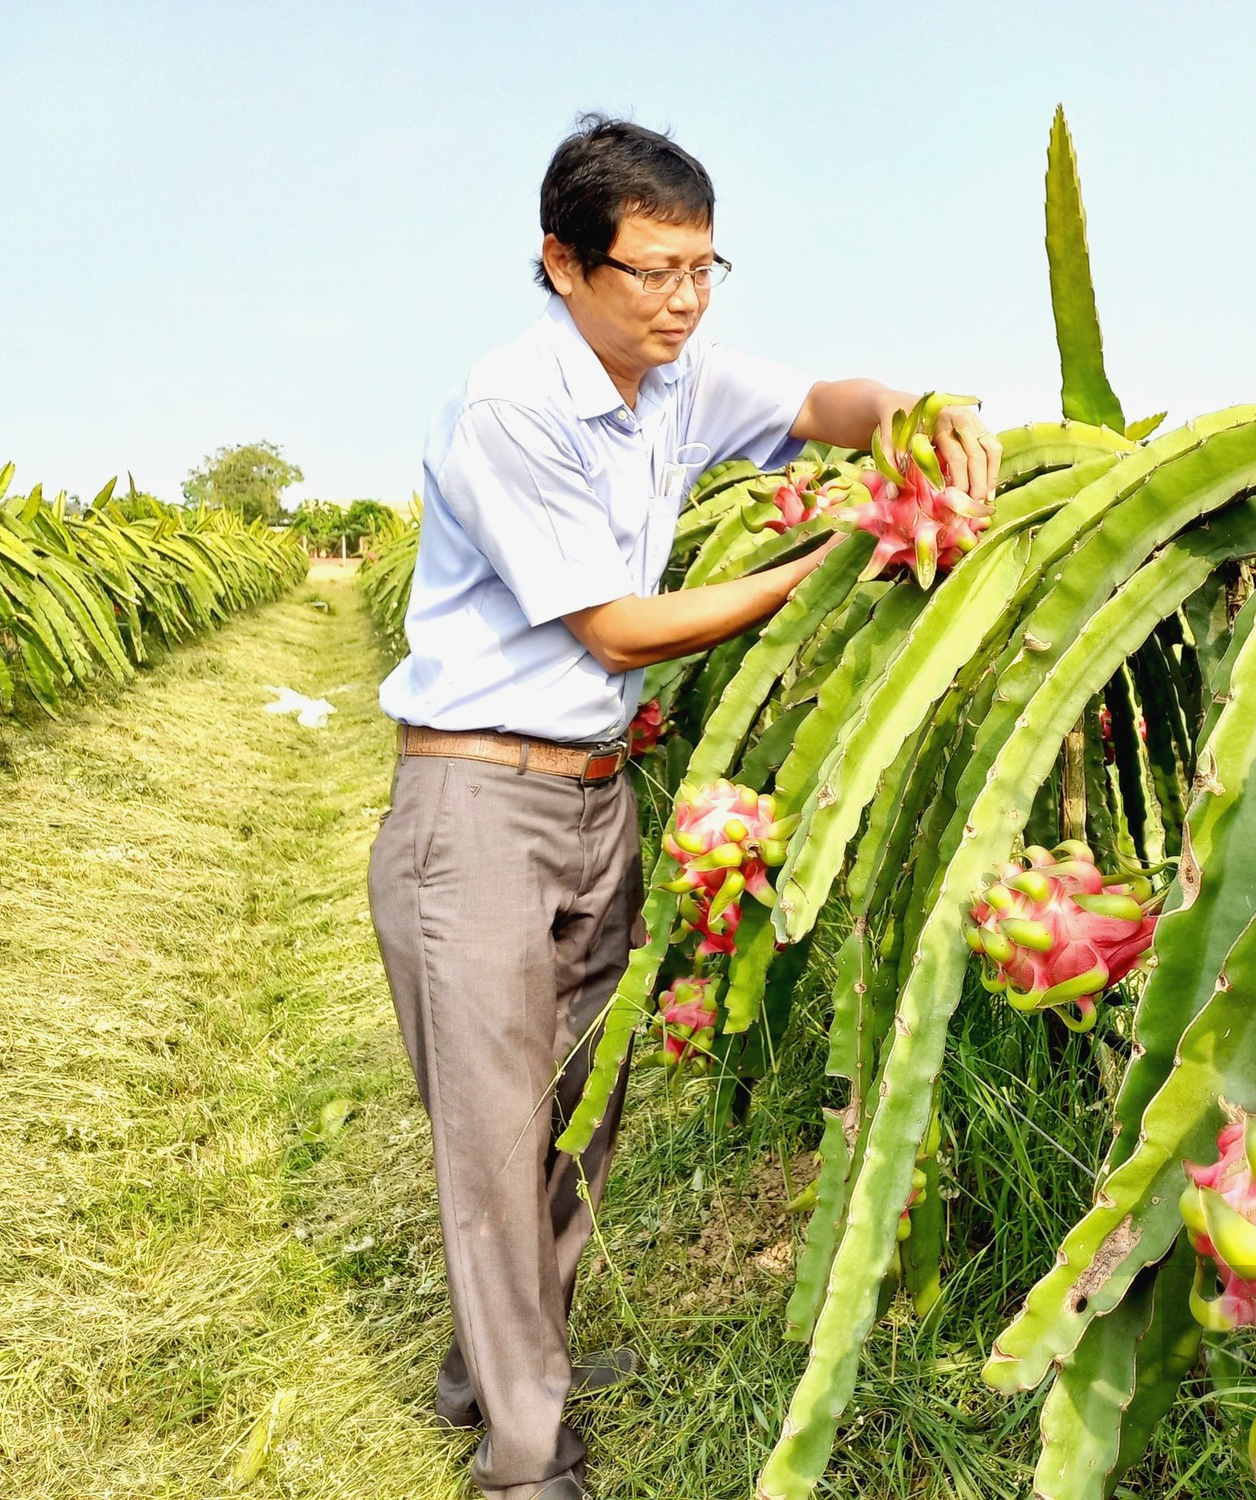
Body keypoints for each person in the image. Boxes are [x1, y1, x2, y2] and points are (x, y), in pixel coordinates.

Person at [367, 113, 1000, 1500]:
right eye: (652, 270)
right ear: (562, 263)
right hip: (472, 801)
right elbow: (618, 629)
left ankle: (497, 1367)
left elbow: (829, 407)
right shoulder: (513, 404)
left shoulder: (676, 379)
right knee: (489, 1133)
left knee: (569, 1115)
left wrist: (921, 410)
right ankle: (529, 1461)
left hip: (595, 797)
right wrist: (839, 550)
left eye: (706, 267)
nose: (684, 299)